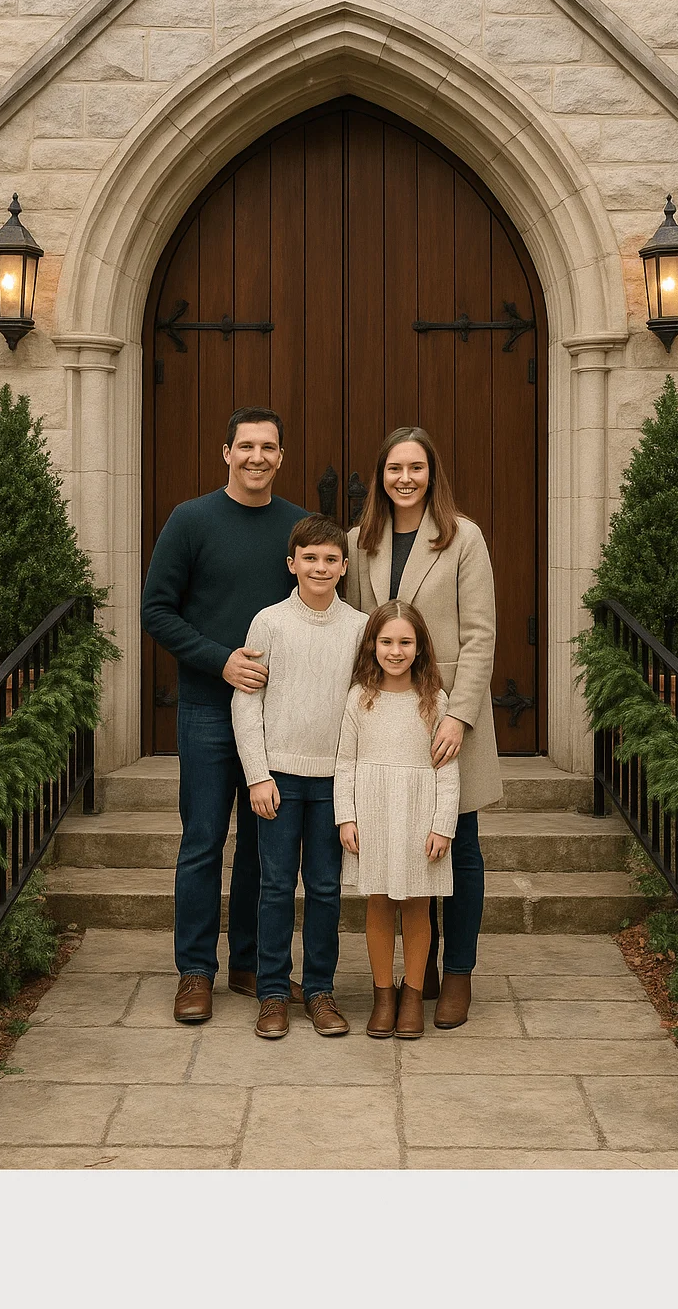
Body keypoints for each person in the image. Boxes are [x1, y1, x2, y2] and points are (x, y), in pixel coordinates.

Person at [141, 407, 308, 1025]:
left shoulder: (297, 529)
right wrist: (221, 662)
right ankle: (194, 973)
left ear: (281, 456)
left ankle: (251, 965)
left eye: (268, 447)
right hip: (210, 707)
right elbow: (157, 611)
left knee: (265, 848)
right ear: (226, 452)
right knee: (204, 840)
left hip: (277, 717)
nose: (257, 457)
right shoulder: (191, 520)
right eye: (246, 447)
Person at [345, 426, 501, 1031]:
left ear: (432, 473)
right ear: (380, 476)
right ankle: (419, 970)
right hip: (387, 716)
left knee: (456, 841)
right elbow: (359, 629)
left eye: (415, 468)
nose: (404, 479)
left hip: (446, 714)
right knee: (402, 843)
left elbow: (480, 633)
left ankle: (457, 971)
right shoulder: (362, 541)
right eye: (393, 469)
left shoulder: (463, 537)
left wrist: (460, 715)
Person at [231, 514, 368, 1040]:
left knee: (326, 887)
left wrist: (354, 786)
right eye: (309, 558)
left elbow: (364, 706)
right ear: (292, 564)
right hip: (280, 781)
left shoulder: (358, 628)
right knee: (274, 886)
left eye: (330, 559)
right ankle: (272, 991)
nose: (319, 567)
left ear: (344, 567)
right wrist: (258, 775)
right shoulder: (269, 623)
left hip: (334, 782)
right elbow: (248, 702)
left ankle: (319, 990)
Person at [335, 601, 460, 1040]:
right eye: (386, 641)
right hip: (372, 812)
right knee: (379, 902)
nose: (395, 651)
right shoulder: (358, 697)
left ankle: (412, 996)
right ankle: (383, 996)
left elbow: (448, 768)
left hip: (418, 813)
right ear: (372, 646)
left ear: (421, 648)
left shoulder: (435, 700)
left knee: (417, 904)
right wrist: (345, 817)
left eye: (405, 642)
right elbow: (345, 763)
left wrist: (443, 823)